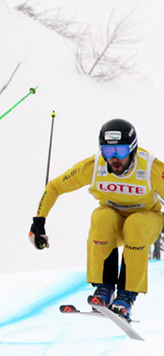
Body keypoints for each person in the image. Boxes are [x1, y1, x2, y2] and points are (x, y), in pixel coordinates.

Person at [29, 118, 164, 320]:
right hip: (115, 223)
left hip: (147, 219)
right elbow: (55, 187)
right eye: (108, 152)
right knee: (102, 217)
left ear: (133, 150)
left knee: (136, 224)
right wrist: (38, 223)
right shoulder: (94, 167)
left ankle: (126, 297)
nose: (114, 158)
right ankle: (104, 289)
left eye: (121, 151)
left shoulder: (150, 167)